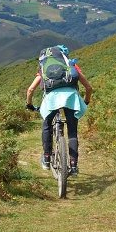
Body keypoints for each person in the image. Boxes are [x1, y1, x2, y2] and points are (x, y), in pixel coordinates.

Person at [25, 45, 93, 174]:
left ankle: (46, 159)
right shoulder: (71, 67)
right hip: (71, 98)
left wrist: (29, 104)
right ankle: (73, 166)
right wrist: (86, 101)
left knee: (46, 125)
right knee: (72, 132)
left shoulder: (43, 69)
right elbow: (89, 88)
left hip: (51, 100)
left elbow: (30, 90)